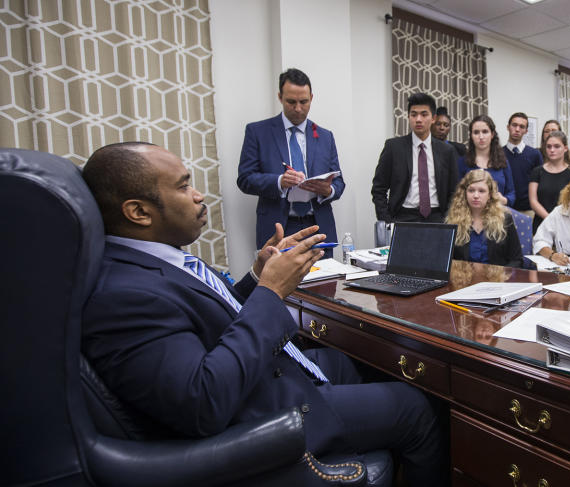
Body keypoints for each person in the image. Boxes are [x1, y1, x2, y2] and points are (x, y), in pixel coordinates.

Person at [81, 142, 445, 484]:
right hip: (265, 415)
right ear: (139, 211)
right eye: (183, 187)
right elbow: (203, 401)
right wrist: (271, 291)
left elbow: (206, 319)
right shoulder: (122, 296)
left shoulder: (150, 259)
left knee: (349, 361)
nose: (198, 196)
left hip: (261, 381)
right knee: (415, 406)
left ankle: (362, 435)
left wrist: (256, 277)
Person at [237, 68, 345, 249]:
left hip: (318, 226)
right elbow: (245, 179)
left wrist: (328, 190)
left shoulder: (326, 136)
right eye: (291, 102)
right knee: (279, 278)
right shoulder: (258, 132)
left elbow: (339, 183)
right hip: (278, 228)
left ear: (312, 97)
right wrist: (279, 181)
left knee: (325, 277)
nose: (298, 108)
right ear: (280, 97)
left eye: (304, 102)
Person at [371, 92, 459, 223]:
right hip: (403, 218)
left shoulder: (447, 151)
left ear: (433, 118)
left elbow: (454, 191)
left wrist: (448, 218)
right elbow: (379, 188)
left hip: (437, 219)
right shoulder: (393, 147)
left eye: (424, 114)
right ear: (408, 117)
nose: (418, 119)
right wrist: (387, 220)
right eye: (413, 114)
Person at [447, 169, 523, 268]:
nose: (476, 195)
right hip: (464, 280)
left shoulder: (504, 219)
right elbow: (448, 262)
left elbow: (517, 260)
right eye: (471, 190)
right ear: (464, 193)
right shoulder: (454, 220)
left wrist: (502, 277)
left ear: (490, 194)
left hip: (496, 280)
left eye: (481, 191)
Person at [457, 115, 515, 207]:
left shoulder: (503, 162)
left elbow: (511, 194)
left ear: (492, 134)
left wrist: (503, 200)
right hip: (470, 217)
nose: (481, 136)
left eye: (485, 132)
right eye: (476, 132)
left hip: (498, 216)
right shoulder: (462, 162)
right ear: (471, 136)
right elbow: (457, 195)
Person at [529, 130, 570, 233]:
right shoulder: (537, 172)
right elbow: (533, 201)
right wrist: (550, 219)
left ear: (565, 148)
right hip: (541, 224)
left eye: (556, 146)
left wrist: (558, 221)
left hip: (566, 225)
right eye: (549, 146)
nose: (552, 150)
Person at [503, 112, 543, 214]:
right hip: (503, 210)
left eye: (522, 127)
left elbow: (541, 182)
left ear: (526, 131)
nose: (517, 129)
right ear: (508, 127)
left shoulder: (535, 154)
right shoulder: (498, 154)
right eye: (514, 125)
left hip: (528, 210)